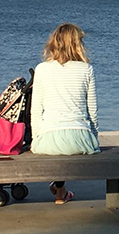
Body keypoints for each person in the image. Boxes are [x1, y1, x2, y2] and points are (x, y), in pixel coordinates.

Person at [31, 23, 100, 204]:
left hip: (47, 139)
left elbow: (36, 110)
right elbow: (92, 111)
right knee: (66, 145)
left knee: (56, 146)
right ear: (78, 44)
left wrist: (36, 137)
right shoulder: (87, 70)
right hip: (80, 138)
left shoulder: (41, 69)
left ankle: (60, 190)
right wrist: (93, 137)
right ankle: (60, 192)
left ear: (53, 42)